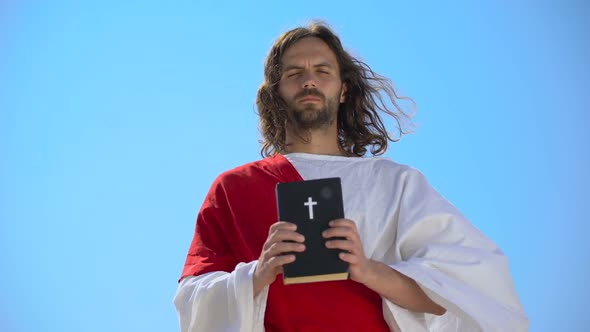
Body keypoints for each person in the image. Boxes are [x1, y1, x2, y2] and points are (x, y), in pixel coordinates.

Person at [174, 21, 528, 331]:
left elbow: (468, 289)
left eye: (323, 71)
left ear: (344, 90)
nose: (309, 80)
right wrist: (257, 274)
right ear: (275, 93)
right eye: (294, 74)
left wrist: (366, 269)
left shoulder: (396, 184)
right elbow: (191, 301)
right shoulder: (235, 188)